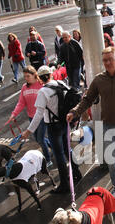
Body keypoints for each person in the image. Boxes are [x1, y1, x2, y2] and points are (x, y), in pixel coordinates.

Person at [67, 46, 115, 199]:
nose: (108, 62)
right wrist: (74, 112)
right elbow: (87, 99)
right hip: (108, 125)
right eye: (105, 60)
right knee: (111, 159)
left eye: (110, 59)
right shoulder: (99, 79)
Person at [21, 66, 82, 194]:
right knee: (67, 149)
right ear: (50, 75)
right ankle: (77, 173)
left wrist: (28, 131)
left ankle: (64, 184)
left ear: (39, 78)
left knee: (59, 155)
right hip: (65, 122)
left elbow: (38, 114)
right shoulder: (61, 84)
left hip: (53, 126)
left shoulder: (43, 92)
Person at [9, 66, 53, 166]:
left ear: (34, 75)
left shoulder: (41, 85)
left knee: (40, 139)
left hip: (42, 117)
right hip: (31, 117)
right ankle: (53, 146)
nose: (26, 78)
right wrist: (14, 114)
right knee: (37, 138)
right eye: (25, 76)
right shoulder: (24, 87)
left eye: (28, 76)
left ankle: (48, 159)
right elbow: (21, 102)